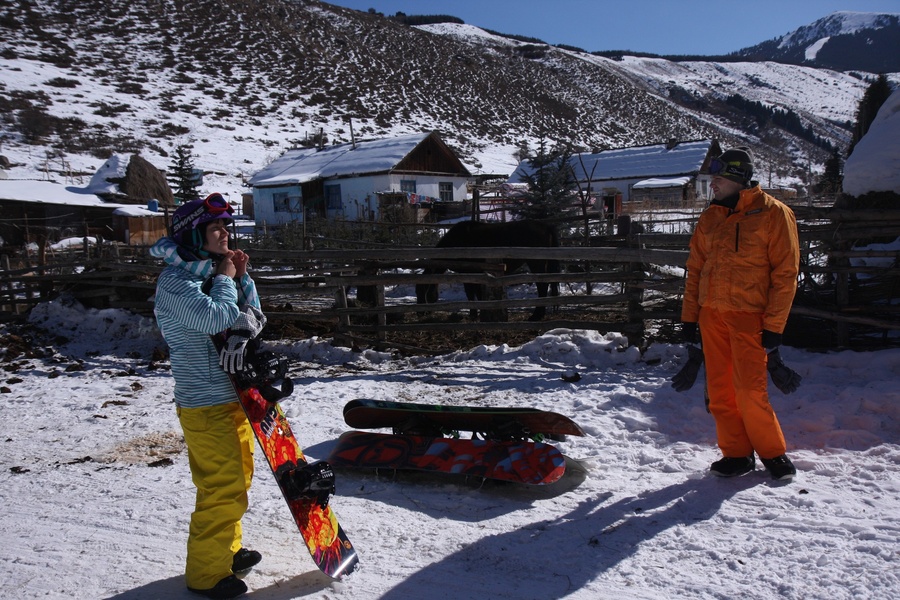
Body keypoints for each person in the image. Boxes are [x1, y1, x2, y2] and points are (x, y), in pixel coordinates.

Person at [151, 193, 262, 599]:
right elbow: (216, 317)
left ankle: (225, 554)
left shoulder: (209, 276)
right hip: (204, 403)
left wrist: (242, 279)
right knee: (221, 486)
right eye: (216, 228)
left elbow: (250, 321)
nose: (225, 233)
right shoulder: (175, 282)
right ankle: (206, 575)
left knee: (237, 481)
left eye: (225, 227)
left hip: (233, 397)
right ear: (194, 234)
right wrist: (224, 279)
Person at [680, 147, 800, 481]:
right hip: (712, 316)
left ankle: (773, 454)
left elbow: (785, 274)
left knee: (750, 390)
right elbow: (695, 271)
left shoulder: (774, 213)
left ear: (737, 177)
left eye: (717, 177)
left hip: (751, 318)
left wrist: (775, 326)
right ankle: (736, 454)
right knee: (720, 392)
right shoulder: (710, 218)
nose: (712, 184)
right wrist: (690, 319)